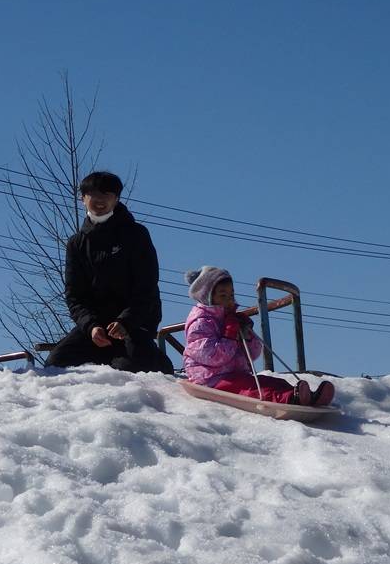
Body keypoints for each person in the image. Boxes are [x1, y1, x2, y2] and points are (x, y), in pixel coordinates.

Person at [47, 171, 174, 374]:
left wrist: (126, 322)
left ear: (116, 199)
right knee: (56, 364)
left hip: (134, 323)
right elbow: (74, 295)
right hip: (95, 327)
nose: (100, 201)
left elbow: (147, 287)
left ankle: (157, 361)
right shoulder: (76, 243)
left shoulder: (136, 234)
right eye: (94, 195)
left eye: (107, 195)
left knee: (130, 370)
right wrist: (91, 326)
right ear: (82, 198)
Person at [183, 265, 335, 406]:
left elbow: (253, 354)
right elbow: (211, 356)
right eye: (223, 295)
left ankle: (308, 395)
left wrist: (247, 334)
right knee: (251, 390)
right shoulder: (201, 322)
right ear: (207, 297)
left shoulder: (230, 318)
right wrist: (230, 334)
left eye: (232, 295)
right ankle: (291, 398)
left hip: (236, 374)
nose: (230, 300)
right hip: (212, 379)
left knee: (269, 382)